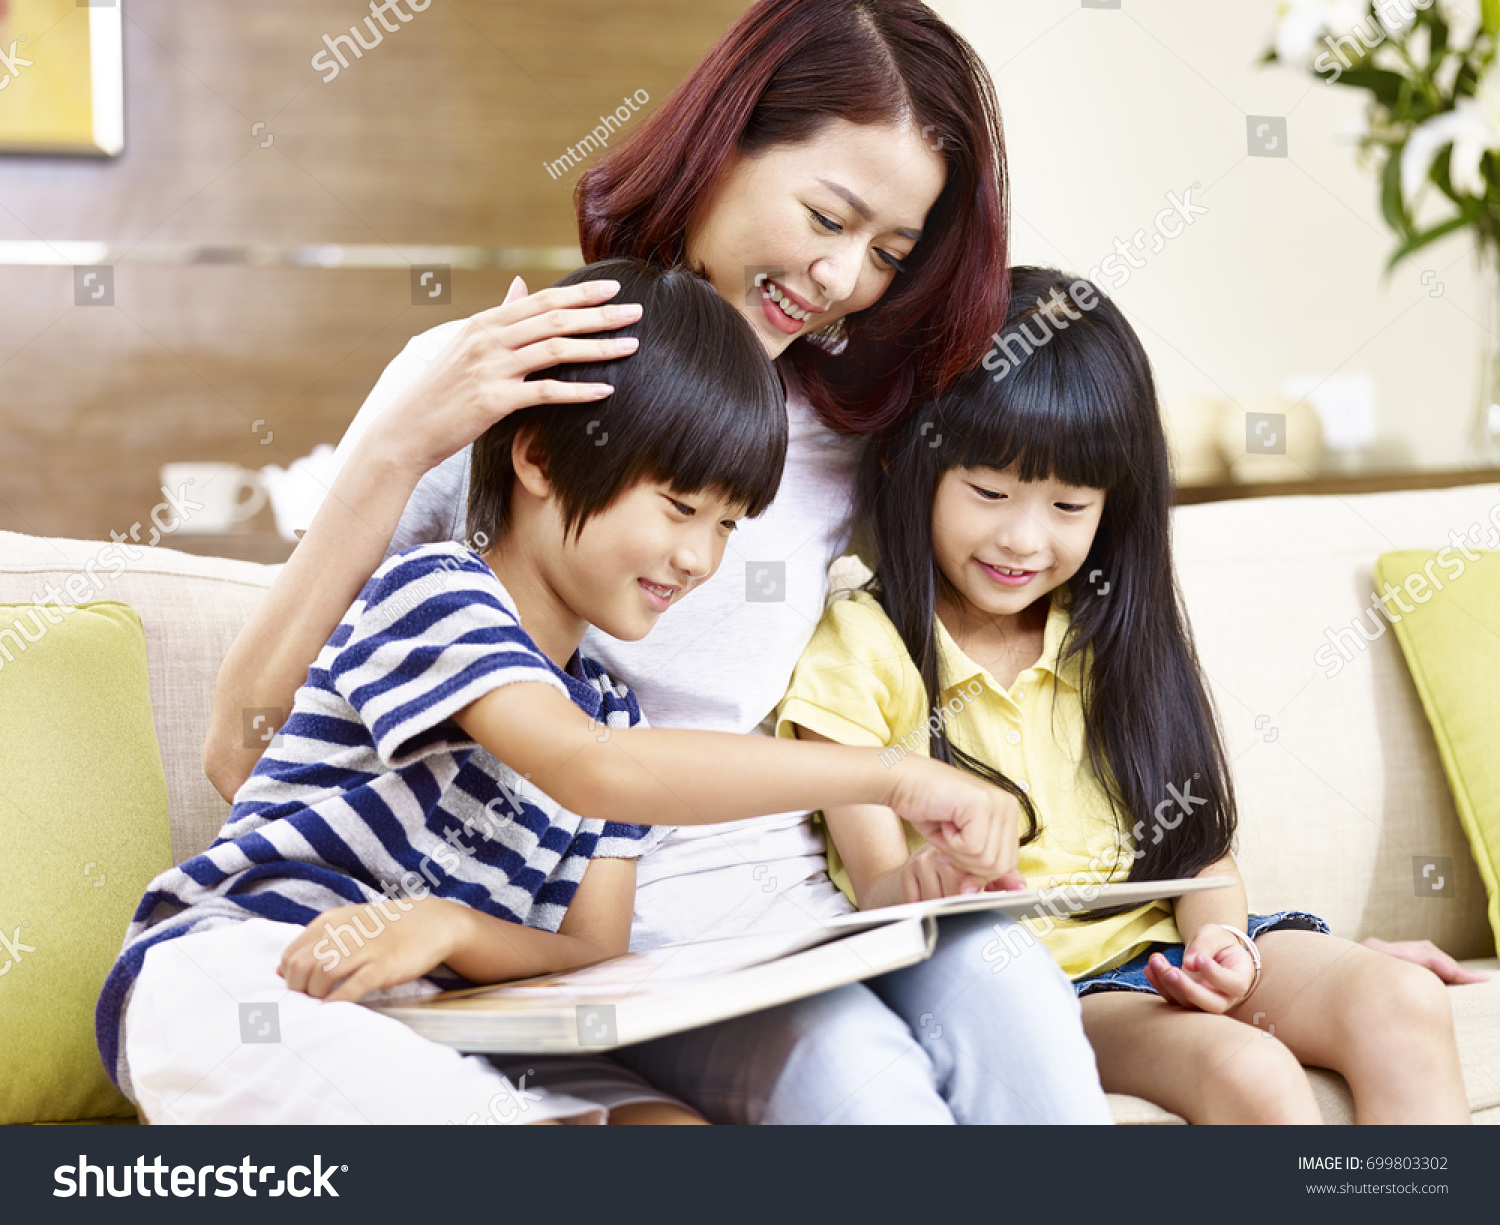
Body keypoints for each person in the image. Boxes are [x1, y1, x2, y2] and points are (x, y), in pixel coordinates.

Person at [202, 0, 1112, 1124]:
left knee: (1014, 991)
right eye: (827, 215)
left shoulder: (853, 433)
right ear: (723, 141)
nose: (839, 279)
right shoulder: (501, 383)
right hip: (619, 926)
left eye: (887, 251)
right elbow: (243, 747)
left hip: (805, 897)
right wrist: (398, 444)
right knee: (861, 1080)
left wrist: (908, 864)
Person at [99, 260, 1020, 1126]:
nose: (699, 558)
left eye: (728, 525)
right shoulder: (437, 593)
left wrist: (447, 925)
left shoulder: (612, 710)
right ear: (538, 457)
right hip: (249, 963)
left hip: (444, 1007)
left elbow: (592, 955)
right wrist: (891, 777)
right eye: (677, 506)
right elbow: (591, 771)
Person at [779, 265, 1474, 1124]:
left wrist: (1222, 939)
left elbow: (1199, 854)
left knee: (1404, 1001)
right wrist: (930, 874)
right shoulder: (865, 649)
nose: (1023, 538)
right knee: (1249, 1072)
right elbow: (882, 894)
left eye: (1069, 504)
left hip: (1182, 942)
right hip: (1053, 984)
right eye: (989, 492)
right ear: (911, 463)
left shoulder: (1109, 631)